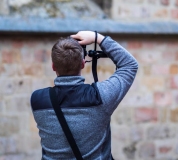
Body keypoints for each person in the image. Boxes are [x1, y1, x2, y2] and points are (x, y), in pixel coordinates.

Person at [30, 31, 138, 159]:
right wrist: (98, 38)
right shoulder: (100, 97)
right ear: (82, 64)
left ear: (53, 66)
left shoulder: (38, 100)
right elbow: (130, 65)